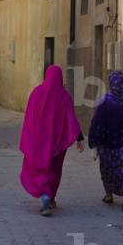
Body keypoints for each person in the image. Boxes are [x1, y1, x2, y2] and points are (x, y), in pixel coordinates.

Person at [19, 65, 84, 216]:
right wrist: (79, 138)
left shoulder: (36, 93)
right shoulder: (64, 96)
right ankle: (51, 197)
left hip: (38, 141)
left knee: (39, 167)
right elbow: (71, 119)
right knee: (55, 169)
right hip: (58, 144)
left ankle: (45, 196)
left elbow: (29, 118)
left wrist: (29, 137)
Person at [87, 70, 123, 211]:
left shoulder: (104, 101)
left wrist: (93, 141)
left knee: (108, 169)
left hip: (107, 144)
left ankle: (109, 195)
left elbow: (96, 123)